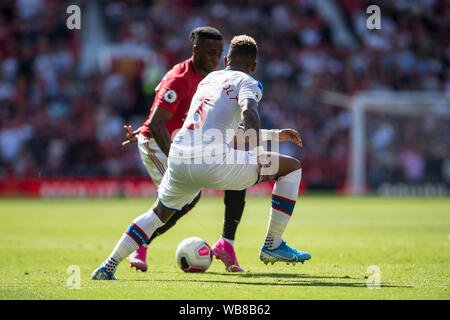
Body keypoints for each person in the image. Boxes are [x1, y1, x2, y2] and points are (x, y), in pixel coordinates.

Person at [92, 34, 311, 280]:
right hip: (213, 163)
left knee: (157, 214)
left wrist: (274, 136)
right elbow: (249, 111)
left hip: (179, 158)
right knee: (291, 167)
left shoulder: (208, 81)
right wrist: (258, 148)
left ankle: (108, 266)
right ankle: (273, 244)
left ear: (226, 59)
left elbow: (222, 131)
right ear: (254, 67)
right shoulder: (249, 82)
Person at [122, 26, 246, 272]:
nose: (215, 58)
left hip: (185, 142)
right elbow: (157, 124)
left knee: (237, 174)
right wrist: (179, 159)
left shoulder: (215, 77)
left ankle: (226, 244)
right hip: (158, 143)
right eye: (210, 52)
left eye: (219, 53)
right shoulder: (178, 78)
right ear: (196, 50)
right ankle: (139, 245)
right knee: (178, 200)